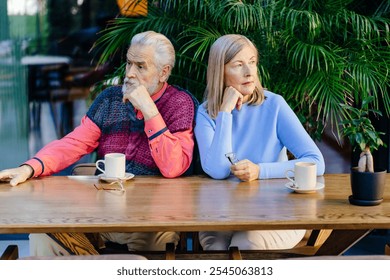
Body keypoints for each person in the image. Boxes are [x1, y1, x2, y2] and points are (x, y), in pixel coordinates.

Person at [0, 31, 198, 256]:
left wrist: (149, 110)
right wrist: (30, 167)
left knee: (157, 247)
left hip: (152, 220)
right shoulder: (110, 99)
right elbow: (74, 142)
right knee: (42, 234)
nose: (130, 74)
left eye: (140, 66)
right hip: (101, 215)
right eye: (129, 63)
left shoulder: (180, 104)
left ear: (164, 73)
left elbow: (174, 167)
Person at [194, 34, 325, 251]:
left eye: (252, 62)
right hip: (222, 213)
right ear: (220, 71)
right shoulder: (206, 113)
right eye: (238, 64)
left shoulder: (274, 105)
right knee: (215, 247)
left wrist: (260, 170)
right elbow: (217, 170)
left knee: (245, 243)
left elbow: (316, 162)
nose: (249, 72)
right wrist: (225, 112)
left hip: (277, 212)